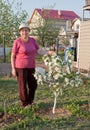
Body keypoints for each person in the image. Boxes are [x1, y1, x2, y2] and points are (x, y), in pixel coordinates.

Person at [11, 23, 47, 108]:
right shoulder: (17, 41)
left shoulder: (33, 40)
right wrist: (13, 68)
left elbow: (39, 51)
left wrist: (48, 52)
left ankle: (30, 101)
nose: (24, 32)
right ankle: (25, 103)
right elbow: (13, 55)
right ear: (20, 32)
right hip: (20, 67)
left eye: (26, 30)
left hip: (31, 66)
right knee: (23, 86)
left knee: (33, 84)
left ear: (29, 31)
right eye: (23, 30)